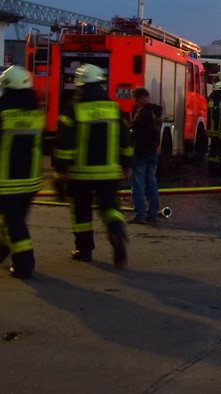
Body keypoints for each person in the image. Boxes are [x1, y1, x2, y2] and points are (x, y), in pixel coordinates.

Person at [53, 64, 133, 267]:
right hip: (108, 172)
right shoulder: (113, 107)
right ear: (100, 83)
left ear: (80, 85)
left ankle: (84, 249)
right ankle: (116, 231)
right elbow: (125, 141)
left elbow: (64, 142)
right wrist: (126, 164)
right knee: (110, 207)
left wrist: (61, 170)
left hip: (80, 173)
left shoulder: (74, 108)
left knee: (81, 211)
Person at [0, 65, 45, 280]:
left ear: (5, 88)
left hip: (6, 180)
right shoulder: (37, 114)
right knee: (15, 219)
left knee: (14, 223)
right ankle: (3, 248)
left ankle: (24, 264)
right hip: (31, 180)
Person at [128, 87, 162, 224]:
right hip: (153, 152)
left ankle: (139, 214)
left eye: (136, 100)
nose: (136, 103)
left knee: (138, 184)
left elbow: (133, 128)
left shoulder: (143, 111)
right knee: (152, 183)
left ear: (142, 98)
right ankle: (153, 213)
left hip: (141, 152)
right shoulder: (156, 111)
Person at [206, 81, 221, 170]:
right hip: (217, 129)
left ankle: (211, 165)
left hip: (210, 128)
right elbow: (218, 116)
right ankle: (216, 167)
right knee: (218, 148)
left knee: (213, 148)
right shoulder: (219, 102)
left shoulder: (211, 100)